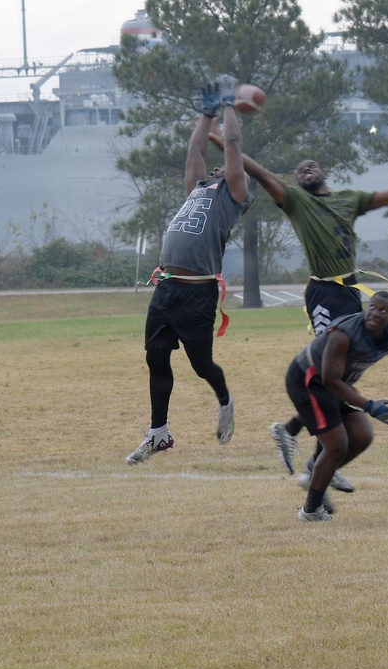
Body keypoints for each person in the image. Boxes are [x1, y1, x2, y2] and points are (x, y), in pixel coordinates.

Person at [213, 136, 388, 490]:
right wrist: (223, 139)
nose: (307, 169)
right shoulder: (296, 200)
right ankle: (317, 448)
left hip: (350, 289)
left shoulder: (349, 199)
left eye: (312, 165)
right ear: (296, 182)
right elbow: (260, 171)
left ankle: (306, 444)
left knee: (345, 373)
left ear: (324, 172)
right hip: (324, 292)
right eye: (300, 170)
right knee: (326, 373)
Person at [126, 75, 253, 465]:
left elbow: (232, 146)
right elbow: (194, 150)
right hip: (166, 286)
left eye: (225, 167)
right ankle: (158, 433)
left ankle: (225, 399)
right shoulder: (197, 189)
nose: (216, 168)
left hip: (197, 292)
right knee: (156, 357)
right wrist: (206, 113)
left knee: (201, 366)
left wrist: (229, 105)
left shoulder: (235, 193)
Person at [285, 291, 388, 521]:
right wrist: (370, 406)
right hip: (310, 381)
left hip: (335, 385)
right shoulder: (344, 334)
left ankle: (315, 471)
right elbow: (329, 380)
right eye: (372, 307)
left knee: (362, 435)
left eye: (382, 310)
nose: (375, 313)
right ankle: (311, 510)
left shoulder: (387, 334)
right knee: (336, 445)